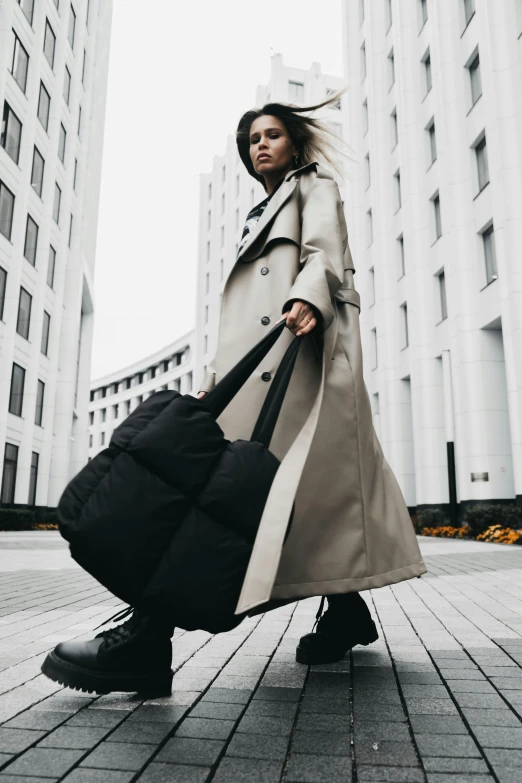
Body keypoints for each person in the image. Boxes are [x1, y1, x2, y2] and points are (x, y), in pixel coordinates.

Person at [41, 88, 425, 696]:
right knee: (279, 503)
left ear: (294, 143)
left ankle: (145, 638)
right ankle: (346, 612)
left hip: (300, 364)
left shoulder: (312, 187)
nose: (261, 145)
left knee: (227, 501)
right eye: (253, 140)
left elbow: (325, 252)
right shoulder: (261, 213)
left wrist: (309, 295)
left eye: (271, 134)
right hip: (267, 367)